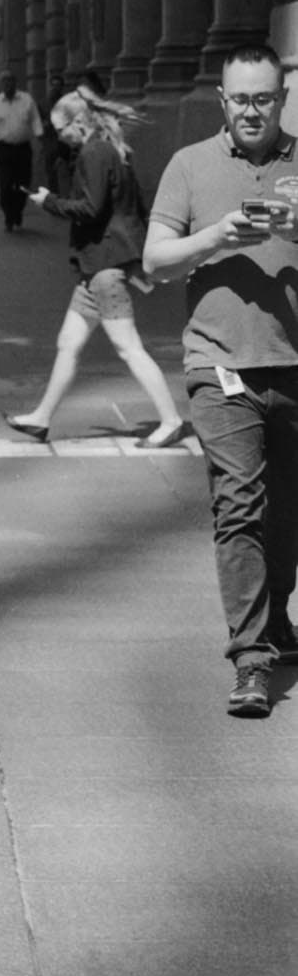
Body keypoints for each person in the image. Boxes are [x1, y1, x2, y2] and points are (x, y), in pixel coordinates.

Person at [143, 42, 298, 720]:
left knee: (288, 515)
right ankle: (251, 661)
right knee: (240, 505)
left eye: (264, 98)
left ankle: (276, 620)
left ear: (283, 99)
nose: (252, 110)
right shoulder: (189, 165)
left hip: (293, 366)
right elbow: (154, 258)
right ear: (223, 101)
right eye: (240, 99)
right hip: (220, 366)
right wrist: (218, 238)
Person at [3, 89, 185, 449]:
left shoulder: (93, 152)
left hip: (104, 265)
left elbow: (90, 208)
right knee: (68, 344)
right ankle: (41, 418)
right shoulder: (110, 149)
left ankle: (171, 419)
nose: (59, 136)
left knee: (128, 347)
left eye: (60, 129)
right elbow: (133, 207)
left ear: (78, 122)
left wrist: (49, 202)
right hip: (98, 266)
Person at [0, 68, 43, 231]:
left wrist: (39, 134)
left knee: (23, 184)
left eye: (10, 80)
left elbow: (35, 119)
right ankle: (8, 215)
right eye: (4, 81)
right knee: (5, 184)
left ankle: (18, 211)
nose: (8, 84)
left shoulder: (27, 100)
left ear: (15, 83)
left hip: (23, 149)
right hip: (4, 149)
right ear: (1, 84)